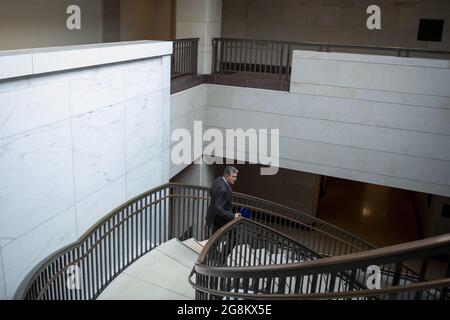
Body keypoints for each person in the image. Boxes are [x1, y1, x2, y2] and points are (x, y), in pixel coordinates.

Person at [205, 166, 241, 234]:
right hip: (220, 219)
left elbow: (211, 193)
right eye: (233, 176)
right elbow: (218, 209)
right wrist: (233, 216)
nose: (235, 179)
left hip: (213, 216)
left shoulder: (218, 179)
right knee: (234, 236)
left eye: (236, 176)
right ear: (227, 176)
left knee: (215, 238)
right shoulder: (223, 189)